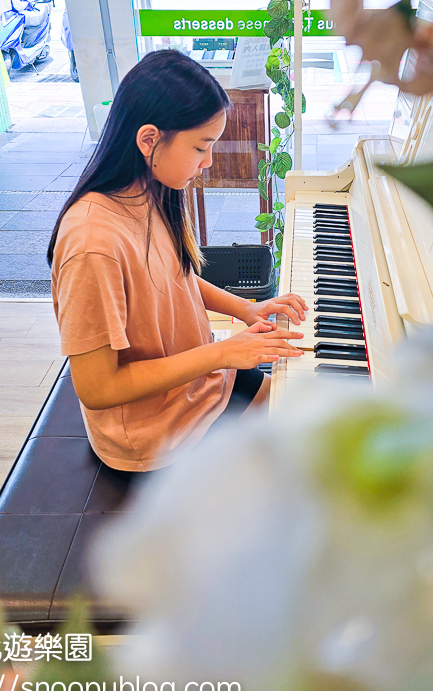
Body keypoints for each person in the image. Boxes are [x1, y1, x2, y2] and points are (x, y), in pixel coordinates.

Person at [47, 50, 307, 475]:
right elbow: (96, 386)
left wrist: (245, 309)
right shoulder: (92, 244)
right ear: (149, 139)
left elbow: (175, 277)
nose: (207, 164)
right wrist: (222, 353)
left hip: (195, 386)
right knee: (298, 465)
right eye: (201, 147)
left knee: (303, 412)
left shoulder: (148, 189)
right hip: (154, 429)